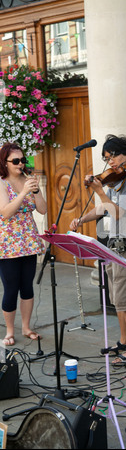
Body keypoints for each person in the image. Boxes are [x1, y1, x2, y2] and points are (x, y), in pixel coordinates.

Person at [70, 134, 126, 364]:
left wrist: (100, 190)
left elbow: (119, 213)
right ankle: (123, 341)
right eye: (106, 158)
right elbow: (104, 209)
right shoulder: (115, 180)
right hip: (114, 245)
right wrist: (82, 219)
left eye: (113, 156)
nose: (110, 162)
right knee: (117, 299)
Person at [0, 142, 47, 346]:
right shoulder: (2, 183)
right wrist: (22, 193)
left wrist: (36, 191)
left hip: (28, 241)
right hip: (9, 244)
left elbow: (43, 210)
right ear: (5, 163)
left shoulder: (29, 180)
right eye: (16, 161)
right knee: (11, 288)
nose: (21, 164)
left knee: (27, 286)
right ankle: (10, 331)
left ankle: (26, 327)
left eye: (22, 160)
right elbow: (6, 212)